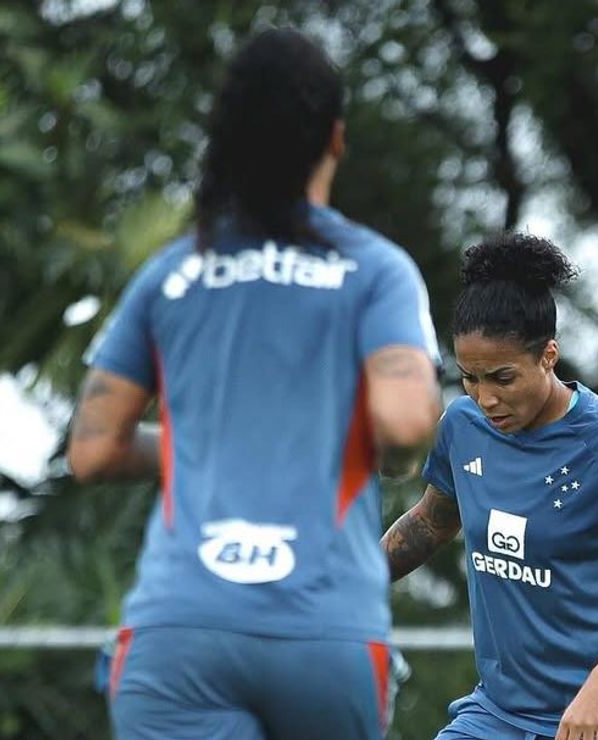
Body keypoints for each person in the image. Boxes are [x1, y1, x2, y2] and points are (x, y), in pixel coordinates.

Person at [65, 26, 442, 740]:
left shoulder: (170, 274)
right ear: (334, 137)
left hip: (177, 634)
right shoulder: (375, 271)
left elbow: (93, 449)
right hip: (323, 631)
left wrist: (206, 443)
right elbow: (403, 423)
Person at [381, 231, 598, 740]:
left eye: (502, 377)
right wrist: (343, 585)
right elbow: (432, 522)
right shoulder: (462, 428)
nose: (485, 399)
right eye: (470, 378)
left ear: (549, 356)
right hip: (501, 715)